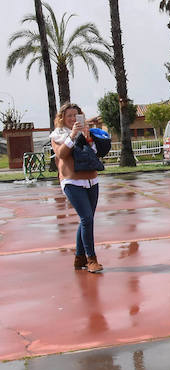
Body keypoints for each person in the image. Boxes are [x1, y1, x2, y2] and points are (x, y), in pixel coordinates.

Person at [50, 102, 104, 273]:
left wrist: (88, 137)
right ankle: (91, 259)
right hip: (71, 182)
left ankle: (79, 258)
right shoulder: (57, 135)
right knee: (87, 219)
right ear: (62, 119)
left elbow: (96, 153)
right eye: (69, 116)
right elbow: (61, 154)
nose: (73, 119)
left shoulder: (85, 132)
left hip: (91, 180)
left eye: (76, 115)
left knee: (86, 220)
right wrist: (72, 136)